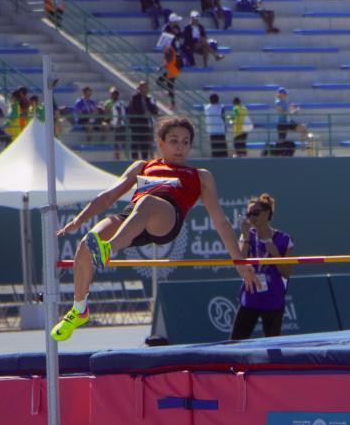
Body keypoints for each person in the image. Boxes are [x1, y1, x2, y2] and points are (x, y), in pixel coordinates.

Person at [51, 115, 259, 341]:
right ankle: (79, 308)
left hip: (166, 219)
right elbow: (109, 196)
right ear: (160, 143)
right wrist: (80, 219)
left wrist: (239, 263)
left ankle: (109, 248)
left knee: (146, 203)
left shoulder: (200, 176)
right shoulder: (143, 166)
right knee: (86, 244)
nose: (180, 147)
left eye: (185, 142)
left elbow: (220, 221)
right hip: (131, 218)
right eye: (173, 141)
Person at [230, 193, 293, 340]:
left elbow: (286, 273)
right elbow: (240, 263)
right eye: (248, 214)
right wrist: (245, 237)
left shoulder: (284, 239)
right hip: (250, 296)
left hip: (273, 299)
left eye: (256, 213)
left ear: (267, 213)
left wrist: (275, 254)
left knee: (272, 343)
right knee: (236, 341)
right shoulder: (247, 235)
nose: (251, 217)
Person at [127, 80, 158, 160]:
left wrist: (152, 112)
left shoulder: (149, 99)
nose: (146, 90)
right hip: (137, 125)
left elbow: (154, 110)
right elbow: (132, 110)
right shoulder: (135, 98)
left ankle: (144, 161)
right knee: (135, 144)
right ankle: (135, 161)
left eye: (147, 88)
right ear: (140, 88)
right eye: (144, 87)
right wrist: (142, 114)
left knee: (145, 145)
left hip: (146, 126)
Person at [156, 24, 179, 109]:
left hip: (171, 70)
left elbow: (168, 61)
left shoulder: (170, 50)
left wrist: (161, 68)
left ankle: (173, 104)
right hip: (171, 70)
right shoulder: (168, 50)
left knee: (164, 83)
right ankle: (172, 103)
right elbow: (165, 60)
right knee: (167, 85)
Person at [102, 87, 127, 160]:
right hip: (117, 124)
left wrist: (118, 123)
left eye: (115, 94)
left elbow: (120, 114)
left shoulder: (118, 104)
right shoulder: (114, 103)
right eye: (112, 94)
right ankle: (118, 157)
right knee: (117, 143)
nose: (113, 95)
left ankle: (122, 157)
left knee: (120, 143)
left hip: (119, 126)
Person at [204, 93, 227, 158]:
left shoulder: (206, 107)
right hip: (220, 130)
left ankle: (215, 157)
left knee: (214, 146)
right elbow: (223, 117)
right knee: (222, 147)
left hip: (211, 130)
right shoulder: (221, 107)